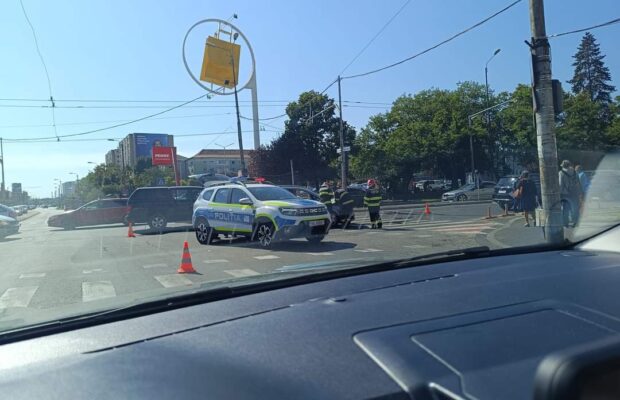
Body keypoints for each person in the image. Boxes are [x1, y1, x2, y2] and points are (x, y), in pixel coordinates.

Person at [559, 160, 583, 228]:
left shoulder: (561, 173)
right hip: (574, 193)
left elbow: (560, 184)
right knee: (575, 208)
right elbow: (578, 183)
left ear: (563, 166)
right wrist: (580, 192)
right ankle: (576, 222)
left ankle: (565, 223)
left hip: (565, 194)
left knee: (566, 209)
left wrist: (560, 193)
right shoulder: (575, 172)